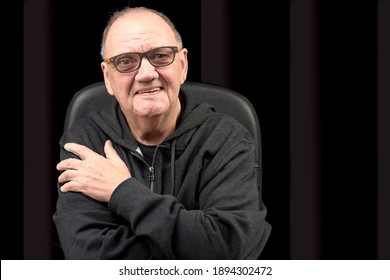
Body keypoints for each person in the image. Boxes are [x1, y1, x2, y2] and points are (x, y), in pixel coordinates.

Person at [53, 6, 271, 260]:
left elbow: (227, 250)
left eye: (160, 56)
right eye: (125, 61)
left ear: (183, 64)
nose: (146, 74)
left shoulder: (227, 139)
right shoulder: (85, 142)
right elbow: (87, 255)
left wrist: (122, 191)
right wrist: (188, 249)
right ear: (108, 78)